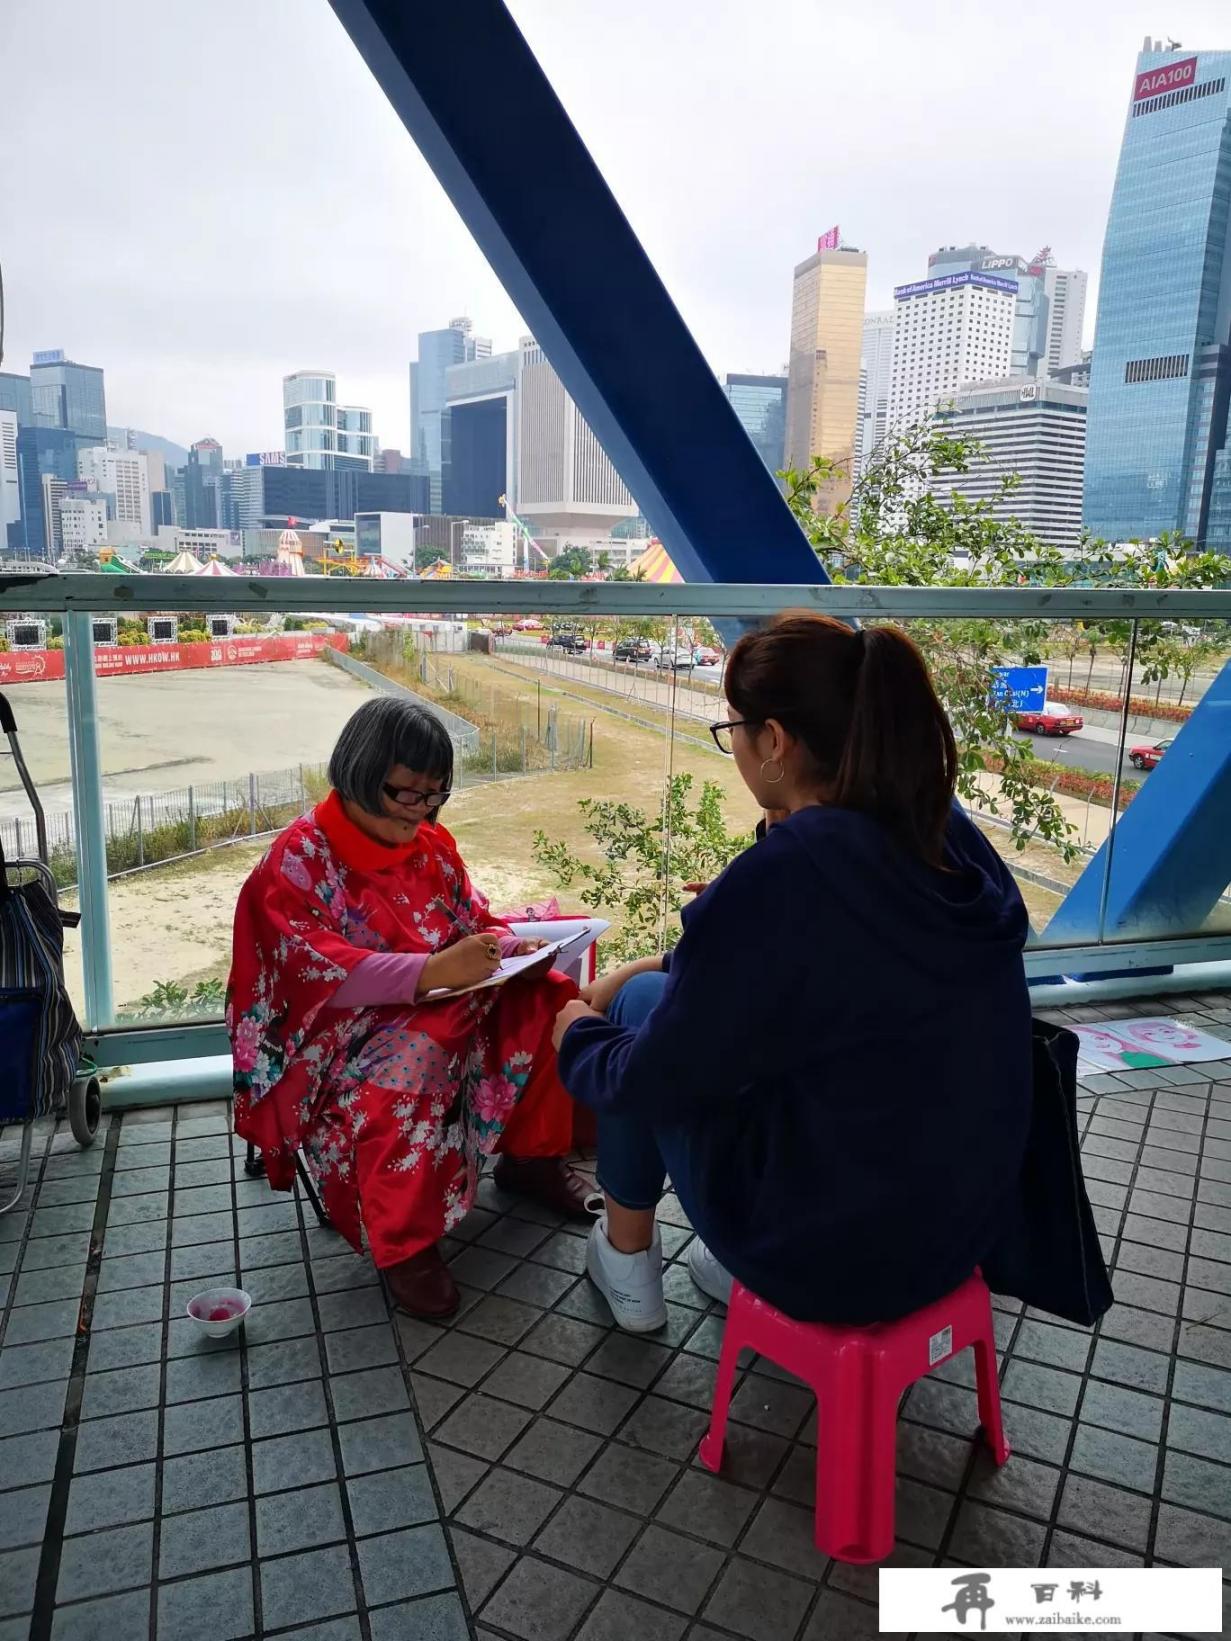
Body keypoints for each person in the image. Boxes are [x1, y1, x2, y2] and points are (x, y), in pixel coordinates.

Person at [552, 612, 1033, 1332]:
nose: (736, 748)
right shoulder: (942, 832)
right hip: (962, 1227)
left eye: (733, 729)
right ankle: (713, 1258)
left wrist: (576, 1034)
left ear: (773, 740)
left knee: (633, 1017)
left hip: (830, 1255)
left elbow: (651, 1076)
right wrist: (674, 951)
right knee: (657, 989)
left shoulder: (790, 875)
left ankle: (626, 1261)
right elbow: (823, 972)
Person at [228, 697, 594, 1319]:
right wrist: (429, 973)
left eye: (435, 797)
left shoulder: (430, 845)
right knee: (413, 1060)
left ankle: (531, 1159)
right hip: (333, 1035)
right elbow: (309, 971)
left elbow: (468, 920)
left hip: (439, 1000)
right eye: (406, 793)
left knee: (549, 1000)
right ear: (360, 772)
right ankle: (404, 1244)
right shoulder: (297, 861)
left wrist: (506, 947)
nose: (421, 811)